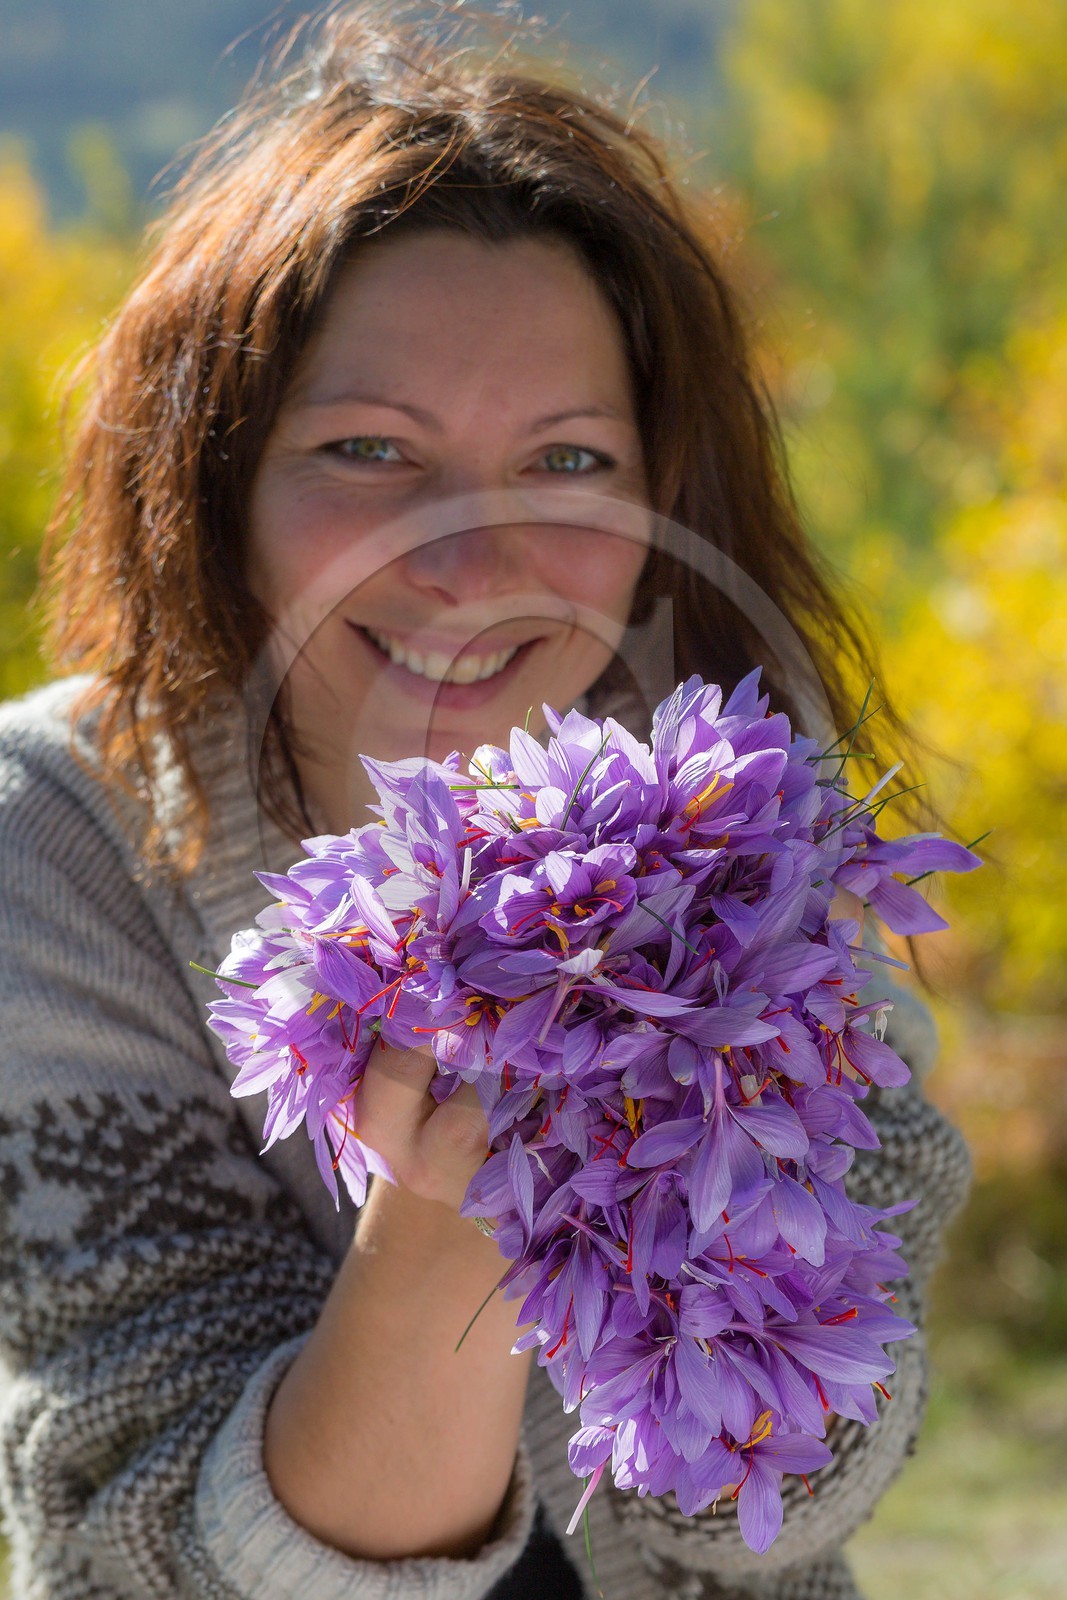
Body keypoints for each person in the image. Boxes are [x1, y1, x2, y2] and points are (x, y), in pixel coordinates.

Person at [0, 6, 973, 1597]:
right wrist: (470, 1183)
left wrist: (653, 1098)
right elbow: (153, 1548)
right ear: (214, 485)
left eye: (573, 460)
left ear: (666, 501)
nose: (463, 556)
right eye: (369, 448)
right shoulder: (57, 834)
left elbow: (795, 1487)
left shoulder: (748, 823)